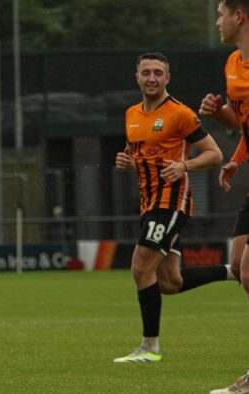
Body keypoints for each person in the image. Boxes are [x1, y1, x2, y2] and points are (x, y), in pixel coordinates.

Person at [113, 52, 226, 364]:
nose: (152, 78)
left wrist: (184, 166)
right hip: (148, 202)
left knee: (139, 267)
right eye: (146, 72)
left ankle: (150, 348)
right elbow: (140, 157)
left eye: (158, 73)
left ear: (167, 78)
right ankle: (233, 272)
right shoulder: (131, 114)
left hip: (171, 202)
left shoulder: (180, 114)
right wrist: (128, 163)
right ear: (137, 77)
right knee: (169, 282)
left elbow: (214, 154)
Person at [201, 1, 249, 392]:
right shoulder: (233, 64)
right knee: (238, 263)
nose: (217, 21)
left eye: (221, 13)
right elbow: (245, 126)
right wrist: (221, 120)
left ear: (240, 16)